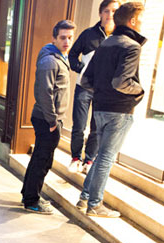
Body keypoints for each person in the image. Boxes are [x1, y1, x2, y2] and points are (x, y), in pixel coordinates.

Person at [76, 2, 145, 218]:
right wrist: (140, 91)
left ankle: (84, 198)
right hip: (119, 110)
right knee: (105, 157)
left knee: (99, 156)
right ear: (132, 21)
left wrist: (101, 91)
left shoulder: (106, 44)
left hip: (100, 108)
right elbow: (121, 82)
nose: (142, 23)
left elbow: (86, 79)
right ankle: (95, 205)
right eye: (141, 19)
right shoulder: (132, 46)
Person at [21, 20, 75, 215]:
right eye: (63, 37)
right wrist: (53, 121)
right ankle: (32, 200)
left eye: (70, 37)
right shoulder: (50, 61)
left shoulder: (60, 57)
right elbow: (45, 93)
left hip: (50, 118)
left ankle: (28, 194)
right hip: (47, 119)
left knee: (39, 159)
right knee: (43, 161)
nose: (67, 41)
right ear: (54, 38)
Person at [68, 0, 120, 174]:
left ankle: (89, 159)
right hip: (84, 87)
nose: (110, 14)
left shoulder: (120, 38)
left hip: (104, 91)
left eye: (114, 11)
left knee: (97, 127)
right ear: (100, 13)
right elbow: (73, 55)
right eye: (106, 11)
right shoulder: (88, 34)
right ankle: (76, 157)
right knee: (79, 125)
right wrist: (81, 68)